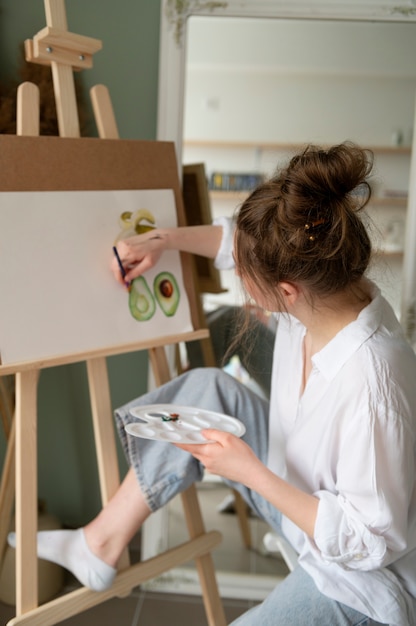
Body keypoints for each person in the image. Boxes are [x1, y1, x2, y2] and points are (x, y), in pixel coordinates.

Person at [9, 142, 416, 625]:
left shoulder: (372, 381)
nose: (239, 277)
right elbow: (233, 245)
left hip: (365, 580)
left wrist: (248, 472)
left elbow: (369, 541)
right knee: (209, 389)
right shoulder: (322, 292)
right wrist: (161, 239)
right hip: (305, 498)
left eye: (247, 277)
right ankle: (100, 543)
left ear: (287, 291)